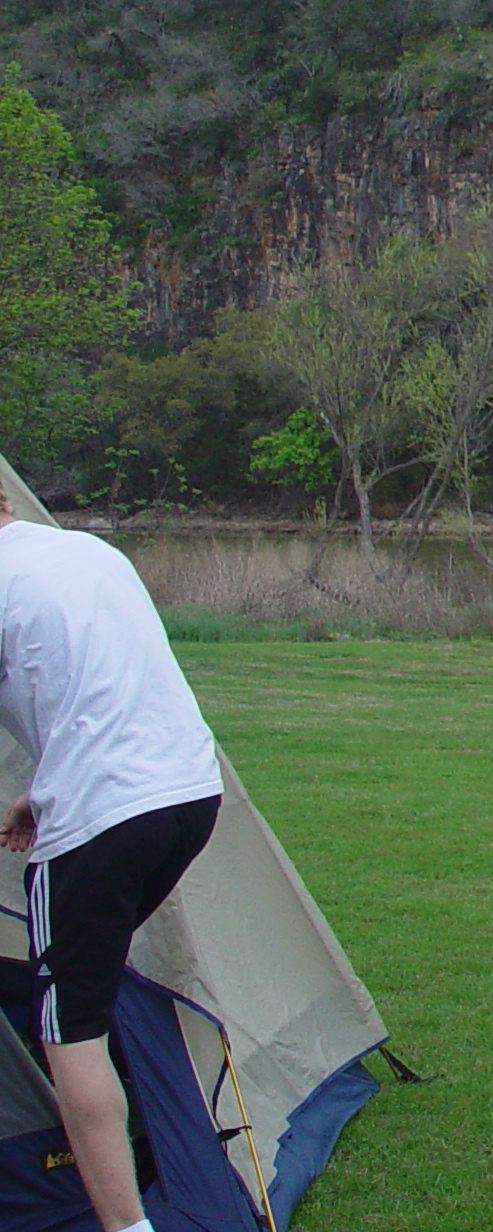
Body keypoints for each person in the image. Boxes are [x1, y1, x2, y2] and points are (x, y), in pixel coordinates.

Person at [0, 507, 223, 1232]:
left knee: (70, 1036)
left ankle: (128, 1228)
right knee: (88, 982)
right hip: (189, 794)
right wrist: (40, 793)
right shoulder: (86, 554)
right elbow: (109, 696)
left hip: (103, 823)